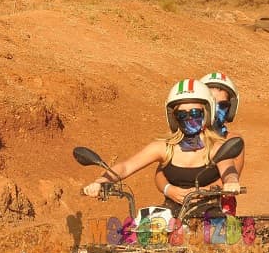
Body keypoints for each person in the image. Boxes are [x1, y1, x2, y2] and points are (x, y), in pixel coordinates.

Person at [82, 79, 241, 214]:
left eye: (194, 113)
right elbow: (125, 166)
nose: (188, 119)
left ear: (207, 113)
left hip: (210, 214)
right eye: (181, 115)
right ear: (174, 118)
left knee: (215, 242)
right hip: (172, 214)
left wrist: (231, 182)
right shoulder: (165, 147)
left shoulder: (217, 146)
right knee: (134, 236)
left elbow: (229, 171)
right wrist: (100, 181)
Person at [154, 72, 243, 209]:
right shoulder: (180, 139)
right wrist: (168, 189)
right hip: (179, 202)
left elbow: (230, 176)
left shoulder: (231, 140)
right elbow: (161, 173)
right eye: (213, 103)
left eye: (223, 105)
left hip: (217, 202)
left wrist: (200, 193)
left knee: (223, 224)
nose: (217, 109)